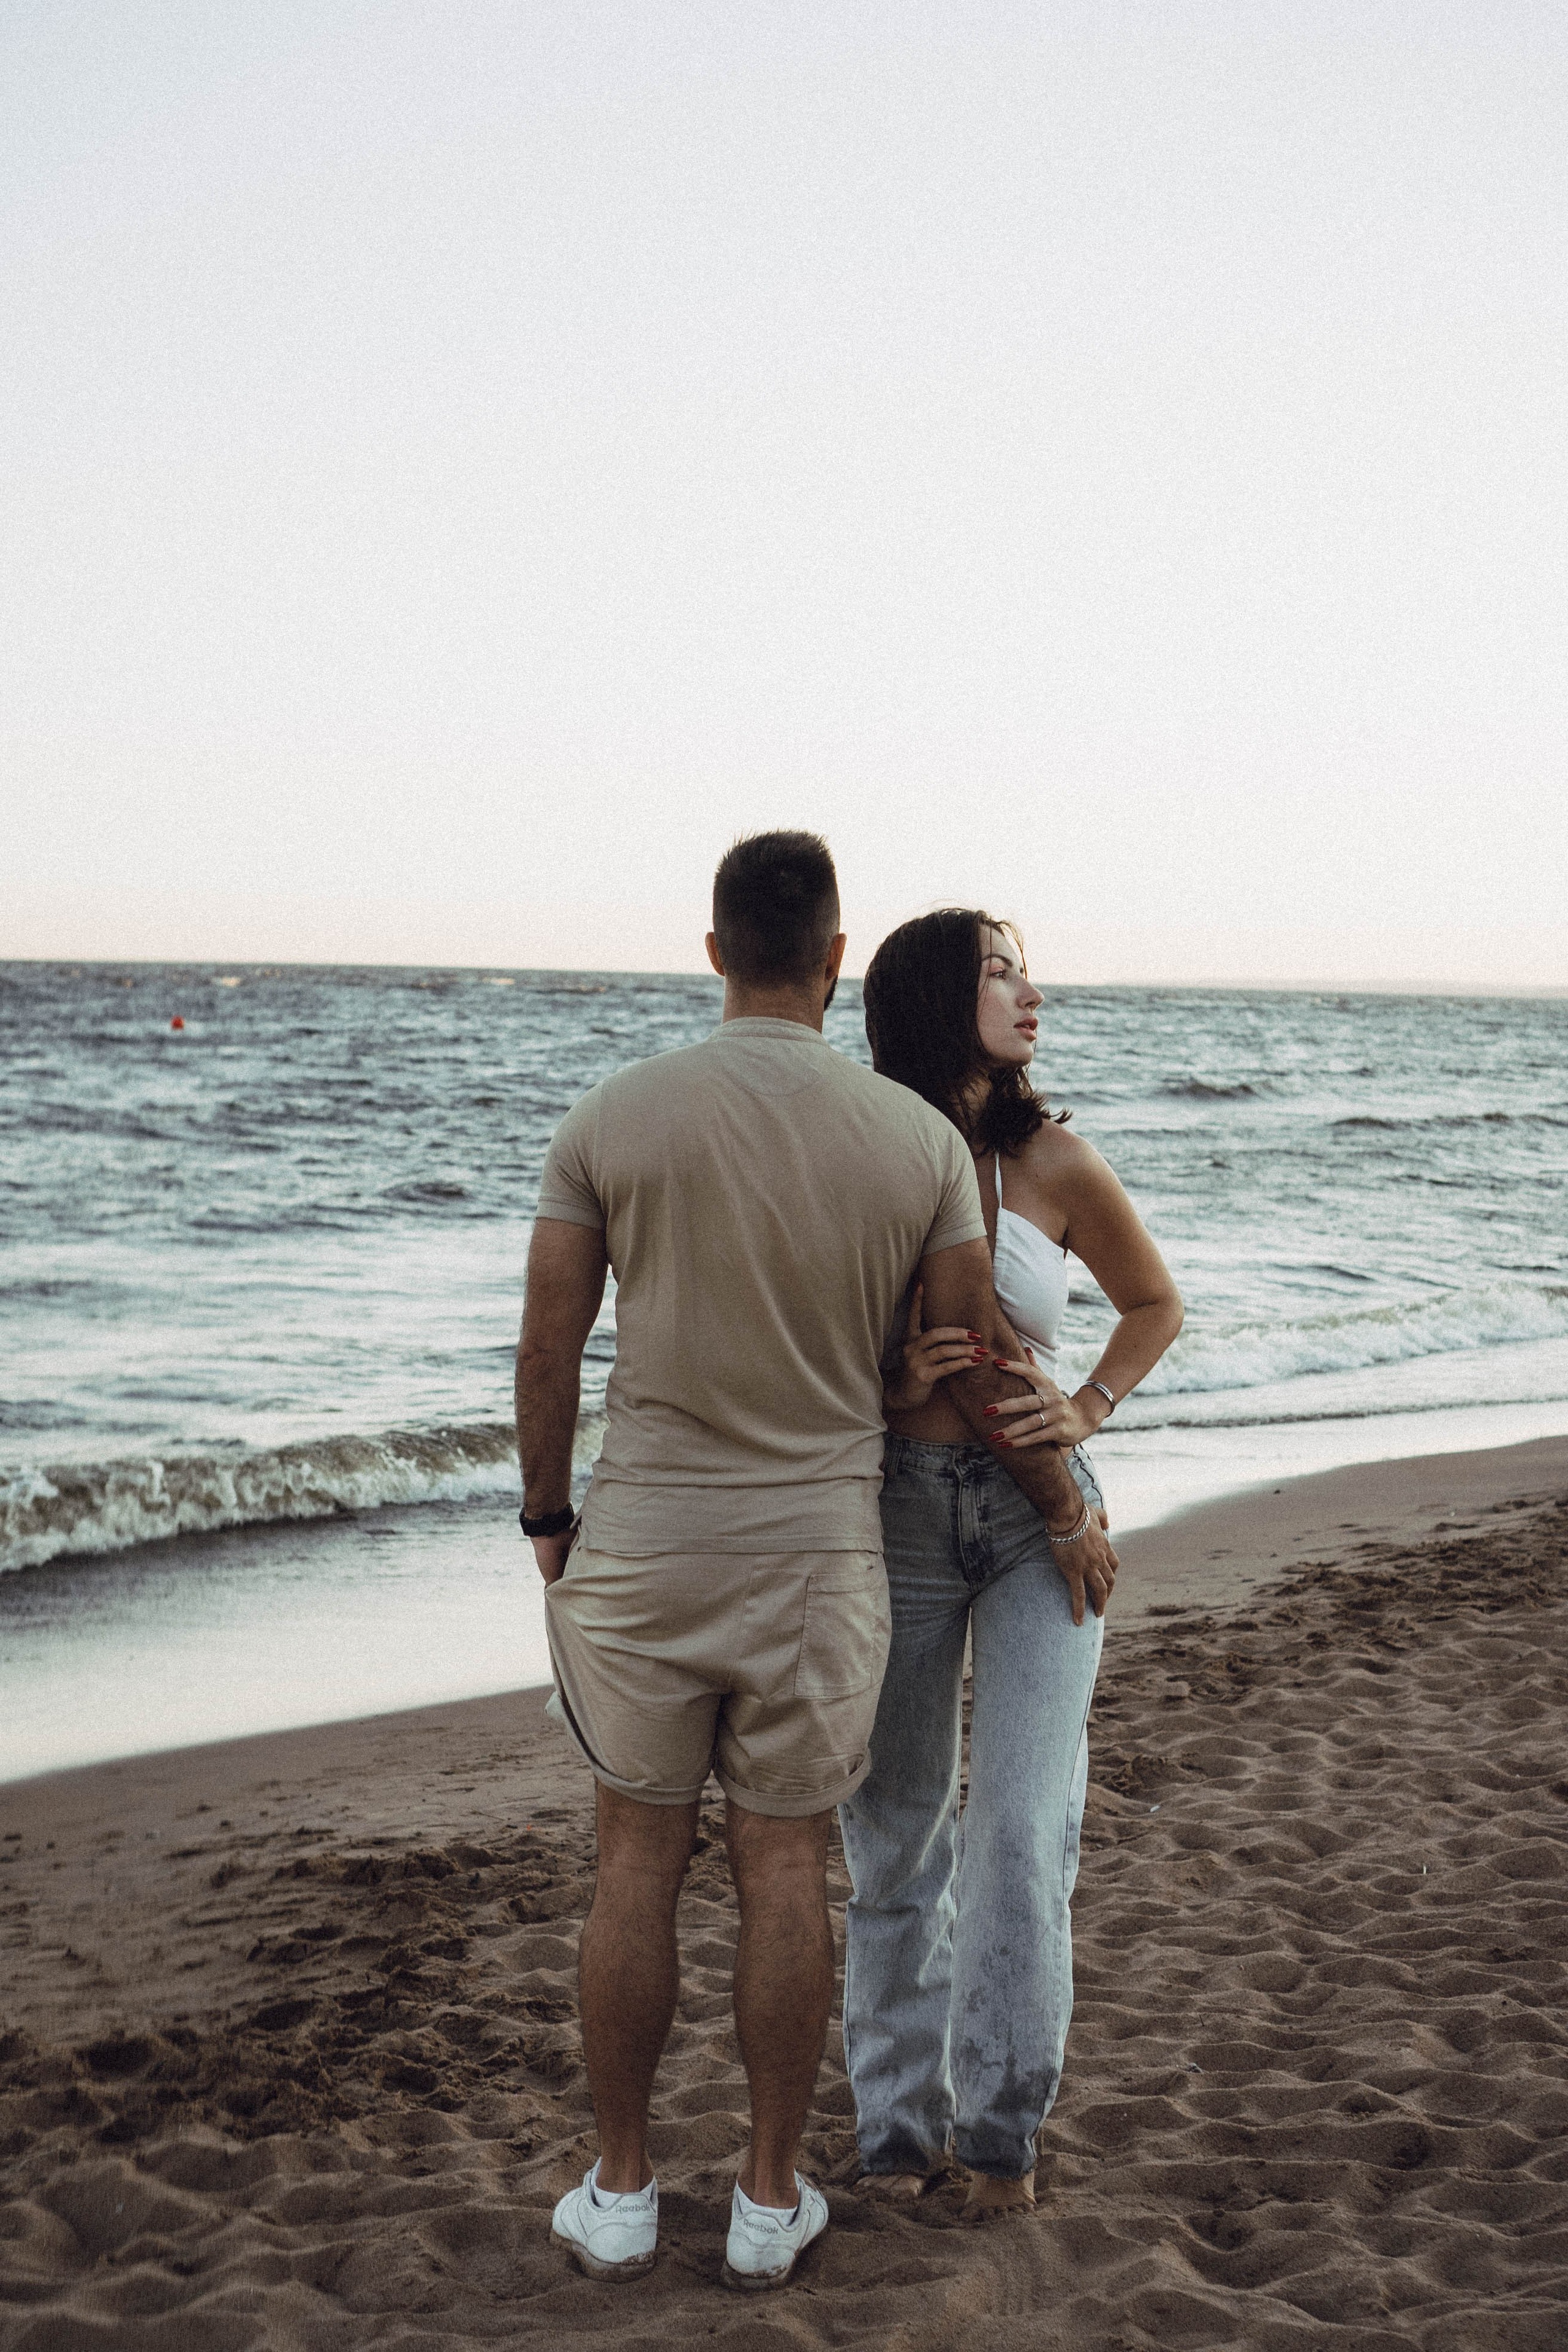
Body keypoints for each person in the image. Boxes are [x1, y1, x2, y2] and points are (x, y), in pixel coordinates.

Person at [517, 835, 1118, 2289]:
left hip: (647, 1551)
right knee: (789, 1867)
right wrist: (1063, 1496)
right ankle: (770, 2198)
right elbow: (971, 1362)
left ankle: (617, 2188)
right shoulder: (913, 1145)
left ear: (713, 951)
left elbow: (544, 1349)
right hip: (819, 1555)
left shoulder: (612, 1113)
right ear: (833, 959)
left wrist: (549, 1521)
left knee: (633, 1865)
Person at [840, 909, 1183, 2220]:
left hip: (1044, 1514)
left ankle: (995, 2140)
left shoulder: (1052, 1162)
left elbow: (1154, 1304)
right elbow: (796, 1337)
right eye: (996, 972)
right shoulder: (863, 1156)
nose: (1028, 991)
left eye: (1023, 970)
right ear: (934, 995)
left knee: (1022, 1831)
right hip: (900, 1513)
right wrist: (882, 1382)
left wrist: (1085, 1413)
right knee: (893, 1840)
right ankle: (890, 2139)